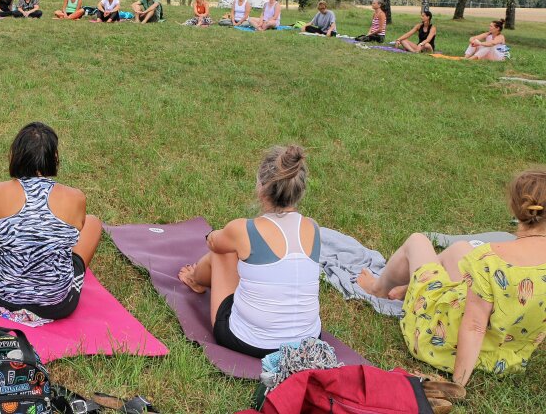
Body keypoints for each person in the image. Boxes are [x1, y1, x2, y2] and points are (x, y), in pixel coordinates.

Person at [356, 170, 546, 384]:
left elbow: (474, 326)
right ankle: (413, 287)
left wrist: (457, 384)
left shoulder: (490, 258)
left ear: (515, 208)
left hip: (441, 342)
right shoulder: (491, 260)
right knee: (461, 249)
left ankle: (378, 289)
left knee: (417, 241)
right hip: (502, 357)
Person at [178, 145, 320, 358]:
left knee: (223, 252)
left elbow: (214, 243)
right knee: (247, 255)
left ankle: (195, 279)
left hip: (250, 341)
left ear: (261, 187)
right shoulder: (313, 228)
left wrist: (214, 236)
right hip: (307, 343)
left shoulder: (243, 229)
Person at [0, 122, 101, 320]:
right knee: (93, 222)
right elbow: (76, 235)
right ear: (54, 158)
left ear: (14, 155)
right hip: (58, 303)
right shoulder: (76, 197)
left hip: (0, 296)